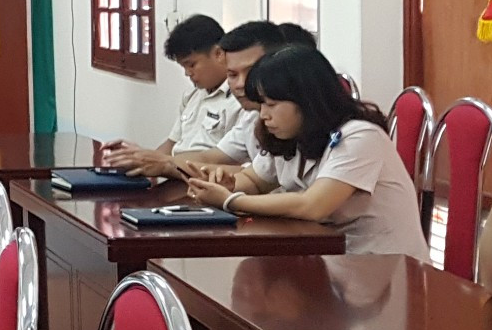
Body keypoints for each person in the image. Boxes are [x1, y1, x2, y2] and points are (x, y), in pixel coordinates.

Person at [185, 45, 427, 255]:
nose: (264, 115)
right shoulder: (289, 135)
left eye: (271, 104)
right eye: (261, 105)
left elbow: (312, 205)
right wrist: (227, 185)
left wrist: (231, 200)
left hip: (383, 268)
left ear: (306, 100)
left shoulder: (360, 137)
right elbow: (255, 180)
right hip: (328, 259)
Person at [113, 20, 296, 180]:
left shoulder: (252, 107)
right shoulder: (250, 117)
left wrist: (166, 165)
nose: (241, 84)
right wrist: (145, 159)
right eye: (232, 74)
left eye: (250, 72)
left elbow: (254, 179)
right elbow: (211, 158)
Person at [99, 14, 239, 173]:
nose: (187, 73)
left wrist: (164, 164)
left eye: (191, 65)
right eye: (183, 67)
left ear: (218, 54)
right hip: (174, 173)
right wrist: (139, 159)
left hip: (202, 179)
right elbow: (170, 146)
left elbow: (226, 163)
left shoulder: (240, 101)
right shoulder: (192, 96)